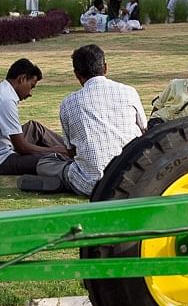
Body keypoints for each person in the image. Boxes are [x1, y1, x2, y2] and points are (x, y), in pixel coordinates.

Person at [18, 45, 147, 195]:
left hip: (89, 183)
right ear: (105, 67)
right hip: (132, 178)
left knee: (45, 163)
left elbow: (72, 152)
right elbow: (144, 131)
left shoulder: (68, 103)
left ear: (77, 74)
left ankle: (64, 182)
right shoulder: (129, 92)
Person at [0, 59, 68, 175]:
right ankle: (70, 154)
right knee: (51, 159)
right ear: (22, 79)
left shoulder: (2, 92)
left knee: (34, 128)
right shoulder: (6, 100)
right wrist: (53, 150)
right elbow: (22, 147)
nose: (30, 93)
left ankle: (73, 149)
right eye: (31, 86)